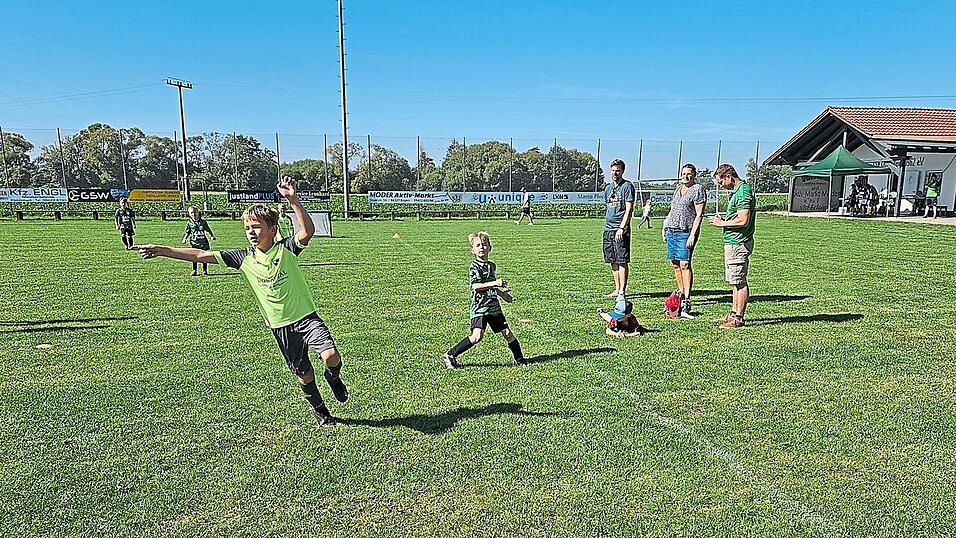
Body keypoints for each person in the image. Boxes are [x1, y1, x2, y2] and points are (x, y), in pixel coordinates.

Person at [137, 176, 348, 427]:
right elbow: (202, 254)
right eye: (247, 228)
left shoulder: (286, 249)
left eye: (256, 226)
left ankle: (333, 377)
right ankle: (321, 412)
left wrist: (293, 200)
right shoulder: (243, 258)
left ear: (272, 229)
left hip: (306, 317)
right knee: (303, 372)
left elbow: (307, 231)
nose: (251, 232)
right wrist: (164, 250)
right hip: (280, 326)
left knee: (330, 354)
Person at [441, 231, 526, 369]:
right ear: (472, 250)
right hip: (479, 307)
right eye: (478, 245)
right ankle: (450, 355)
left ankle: (520, 358)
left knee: (508, 333)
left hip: (493, 307)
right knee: (476, 337)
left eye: (485, 245)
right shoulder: (474, 267)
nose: (482, 247)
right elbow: (476, 286)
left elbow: (490, 286)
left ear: (490, 248)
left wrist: (501, 294)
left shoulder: (491, 266)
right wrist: (495, 283)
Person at [708, 164, 756, 329]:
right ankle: (733, 312)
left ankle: (739, 318)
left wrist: (722, 223)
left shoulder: (743, 192)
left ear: (729, 176)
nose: (721, 185)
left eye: (721, 182)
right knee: (734, 281)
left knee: (740, 281)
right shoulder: (737, 192)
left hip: (738, 242)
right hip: (733, 241)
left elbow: (744, 220)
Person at [661, 163, 707, 319]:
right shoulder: (678, 189)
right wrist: (665, 227)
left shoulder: (698, 190)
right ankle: (680, 294)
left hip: (685, 231)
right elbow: (672, 210)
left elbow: (699, 214)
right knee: (675, 263)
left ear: (694, 175)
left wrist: (693, 235)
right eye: (683, 173)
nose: (686, 176)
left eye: (689, 174)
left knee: (685, 263)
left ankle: (687, 299)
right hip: (672, 230)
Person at [602, 159, 635, 300]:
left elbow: (629, 209)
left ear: (622, 171)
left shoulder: (627, 186)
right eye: (613, 170)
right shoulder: (608, 188)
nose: (615, 173)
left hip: (620, 229)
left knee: (621, 260)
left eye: (618, 170)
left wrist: (622, 227)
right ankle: (616, 288)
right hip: (608, 228)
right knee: (612, 260)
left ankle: (622, 291)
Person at [181, 206, 217, 276]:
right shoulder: (189, 223)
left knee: (204, 256)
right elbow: (187, 232)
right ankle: (194, 270)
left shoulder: (203, 222)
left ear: (198, 213)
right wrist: (184, 239)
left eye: (195, 212)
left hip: (203, 241)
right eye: (191, 213)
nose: (193, 214)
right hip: (194, 242)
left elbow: (208, 229)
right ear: (189, 214)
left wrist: (212, 236)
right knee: (194, 256)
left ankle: (205, 270)